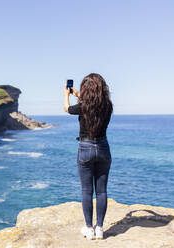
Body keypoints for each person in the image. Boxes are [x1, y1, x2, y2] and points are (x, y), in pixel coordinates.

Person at [63, 73, 113, 240]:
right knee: (101, 191)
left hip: (85, 148)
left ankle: (89, 229)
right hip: (103, 148)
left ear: (85, 90)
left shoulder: (83, 107)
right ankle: (100, 228)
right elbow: (92, 104)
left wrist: (66, 95)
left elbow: (67, 109)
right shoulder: (108, 106)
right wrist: (78, 95)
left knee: (86, 190)